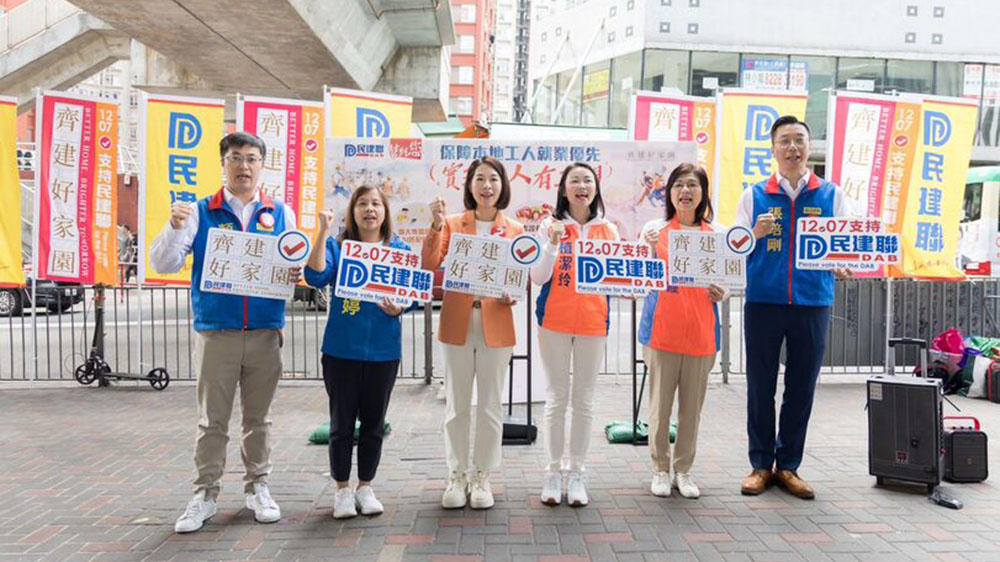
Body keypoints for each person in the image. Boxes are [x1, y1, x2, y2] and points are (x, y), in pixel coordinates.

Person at [150, 132, 300, 533]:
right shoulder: (200, 211)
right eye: (235, 158)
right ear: (223, 164)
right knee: (212, 421)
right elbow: (163, 263)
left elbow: (292, 266)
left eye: (252, 158)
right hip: (217, 332)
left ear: (262, 165)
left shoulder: (281, 213)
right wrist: (173, 226)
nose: (244, 166)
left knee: (259, 419)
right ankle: (205, 493)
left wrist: (296, 274)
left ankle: (258, 487)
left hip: (265, 333)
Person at [734, 115, 852, 500]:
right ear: (773, 149)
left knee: (801, 387)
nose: (792, 148)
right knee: (760, 386)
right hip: (764, 303)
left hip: (813, 301)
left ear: (809, 146)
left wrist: (844, 262)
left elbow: (845, 244)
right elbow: (735, 251)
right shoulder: (753, 195)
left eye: (799, 140)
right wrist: (755, 234)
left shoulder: (831, 195)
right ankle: (758, 465)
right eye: (784, 141)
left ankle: (788, 466)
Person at [422, 156, 524, 510]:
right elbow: (430, 264)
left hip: (497, 319)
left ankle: (482, 476)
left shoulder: (514, 229)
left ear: (502, 186)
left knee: (491, 405)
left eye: (493, 179)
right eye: (479, 179)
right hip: (458, 320)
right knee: (457, 405)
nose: (486, 186)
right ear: (469, 186)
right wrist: (435, 225)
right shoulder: (452, 223)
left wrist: (514, 291)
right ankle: (456, 474)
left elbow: (519, 276)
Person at [304, 186, 408, 519]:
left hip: (383, 352)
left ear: (385, 211)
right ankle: (342, 490)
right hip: (341, 351)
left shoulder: (398, 249)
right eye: (362, 203)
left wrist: (400, 308)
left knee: (374, 424)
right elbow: (315, 275)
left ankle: (366, 486)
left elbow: (410, 294)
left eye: (376, 203)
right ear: (352, 211)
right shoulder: (339, 246)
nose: (369, 209)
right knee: (341, 424)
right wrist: (321, 232)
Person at [529, 162, 617, 507]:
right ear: (563, 189)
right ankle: (553, 471)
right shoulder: (549, 226)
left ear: (595, 189)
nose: (582, 186)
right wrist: (551, 244)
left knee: (583, 400)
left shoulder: (608, 230)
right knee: (556, 398)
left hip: (595, 323)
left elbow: (618, 278)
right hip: (554, 322)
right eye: (574, 181)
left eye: (588, 180)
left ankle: (577, 471)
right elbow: (537, 277)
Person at [638, 163, 725, 499]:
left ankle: (684, 470)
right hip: (662, 331)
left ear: (703, 193)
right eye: (678, 185)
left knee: (692, 409)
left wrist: (723, 292)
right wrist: (646, 248)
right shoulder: (654, 229)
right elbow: (642, 276)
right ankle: (660, 469)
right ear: (669, 192)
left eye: (692, 185)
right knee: (660, 408)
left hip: (702, 333)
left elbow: (728, 281)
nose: (685, 192)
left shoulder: (717, 233)